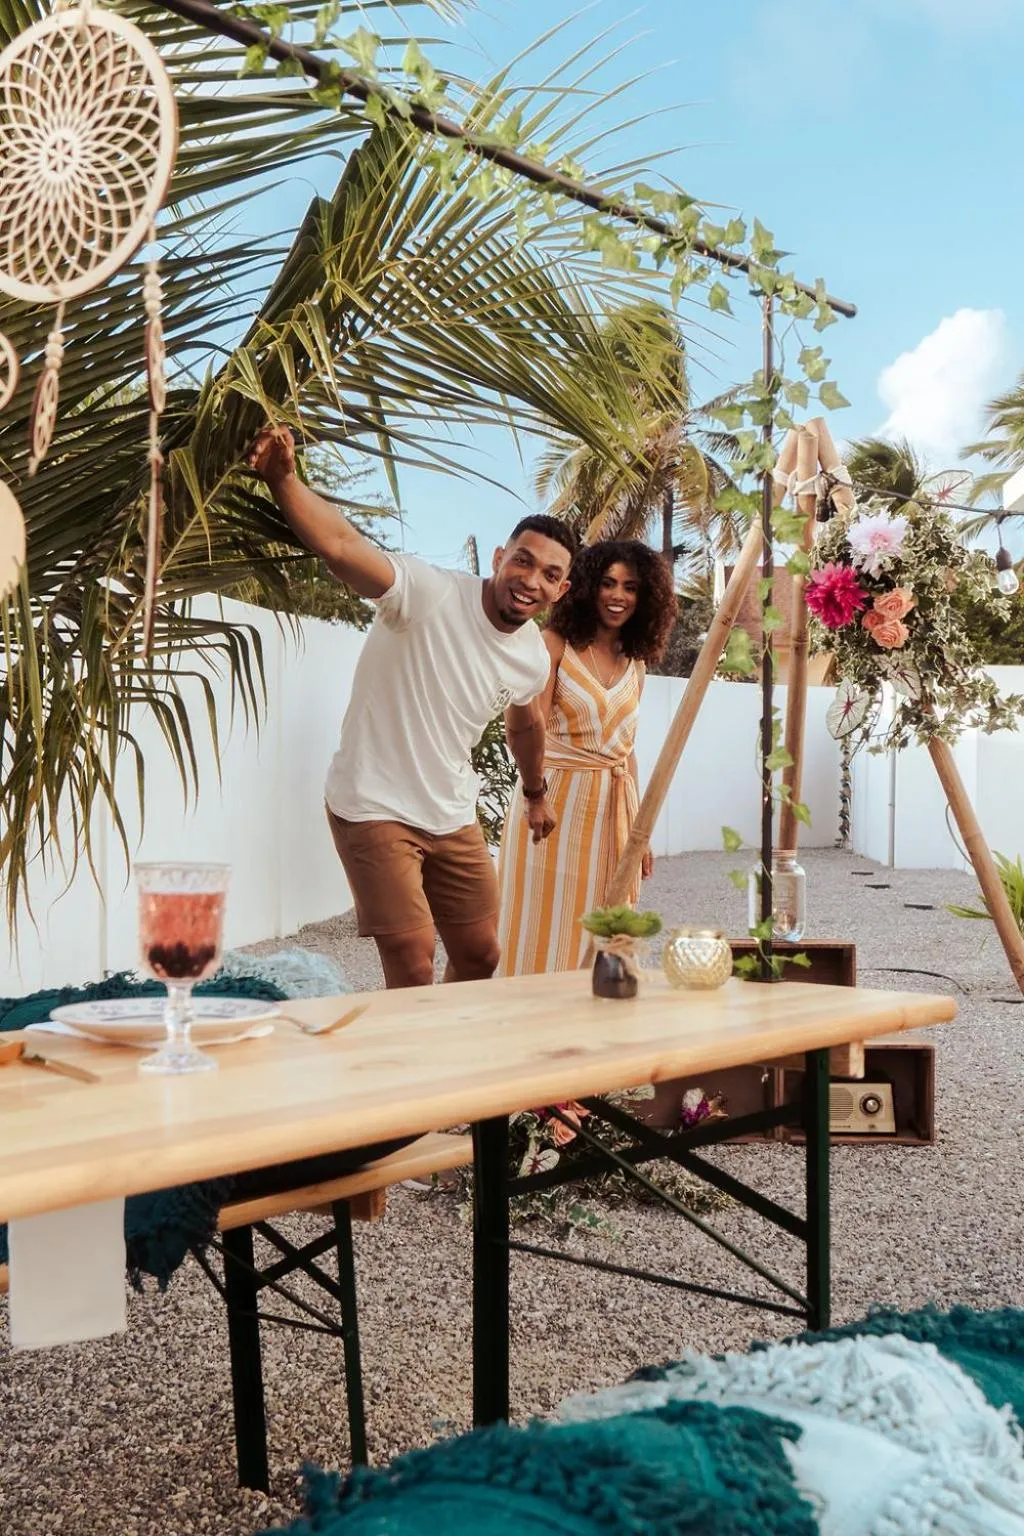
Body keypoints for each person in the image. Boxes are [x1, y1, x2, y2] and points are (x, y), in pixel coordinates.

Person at [247, 425, 577, 989]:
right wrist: (283, 479)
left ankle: (444, 1058)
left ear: (561, 591)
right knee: (413, 957)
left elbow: (526, 724)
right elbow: (344, 548)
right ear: (500, 557)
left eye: (550, 574)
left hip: (450, 812)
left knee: (480, 955)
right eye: (522, 561)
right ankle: (412, 1072)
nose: (530, 580)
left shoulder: (530, 658)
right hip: (373, 802)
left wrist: (536, 796)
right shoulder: (431, 593)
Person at [496, 539, 677, 975]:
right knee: (537, 922)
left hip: (613, 810)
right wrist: (535, 794)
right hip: (552, 803)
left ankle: (597, 1028)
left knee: (607, 924)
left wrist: (640, 832)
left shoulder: (636, 663)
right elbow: (525, 725)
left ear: (645, 597)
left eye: (631, 587)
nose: (618, 595)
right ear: (587, 587)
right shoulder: (554, 644)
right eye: (609, 583)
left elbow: (625, 752)